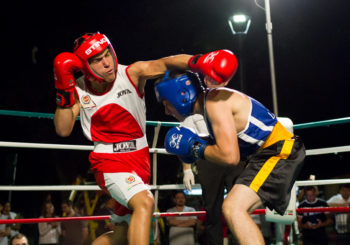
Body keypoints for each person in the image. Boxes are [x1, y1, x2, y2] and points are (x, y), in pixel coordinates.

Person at [53, 31, 236, 245]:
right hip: (109, 161)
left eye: (107, 55)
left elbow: (165, 64)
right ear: (85, 65)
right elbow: (63, 129)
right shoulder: (79, 89)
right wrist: (63, 86)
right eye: (97, 60)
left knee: (124, 233)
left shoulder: (131, 73)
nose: (106, 63)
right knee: (145, 203)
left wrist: (199, 61)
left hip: (140, 159)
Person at [155, 65, 306, 245]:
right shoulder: (210, 102)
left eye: (166, 104)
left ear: (179, 96)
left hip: (278, 151)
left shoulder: (213, 103)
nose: (166, 111)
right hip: (264, 154)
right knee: (234, 209)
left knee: (234, 208)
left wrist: (195, 147)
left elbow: (229, 157)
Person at [158, 99, 244, 245]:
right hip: (208, 156)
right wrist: (187, 170)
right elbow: (184, 143)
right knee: (212, 209)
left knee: (240, 207)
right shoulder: (190, 114)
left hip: (233, 149)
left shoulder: (226, 101)